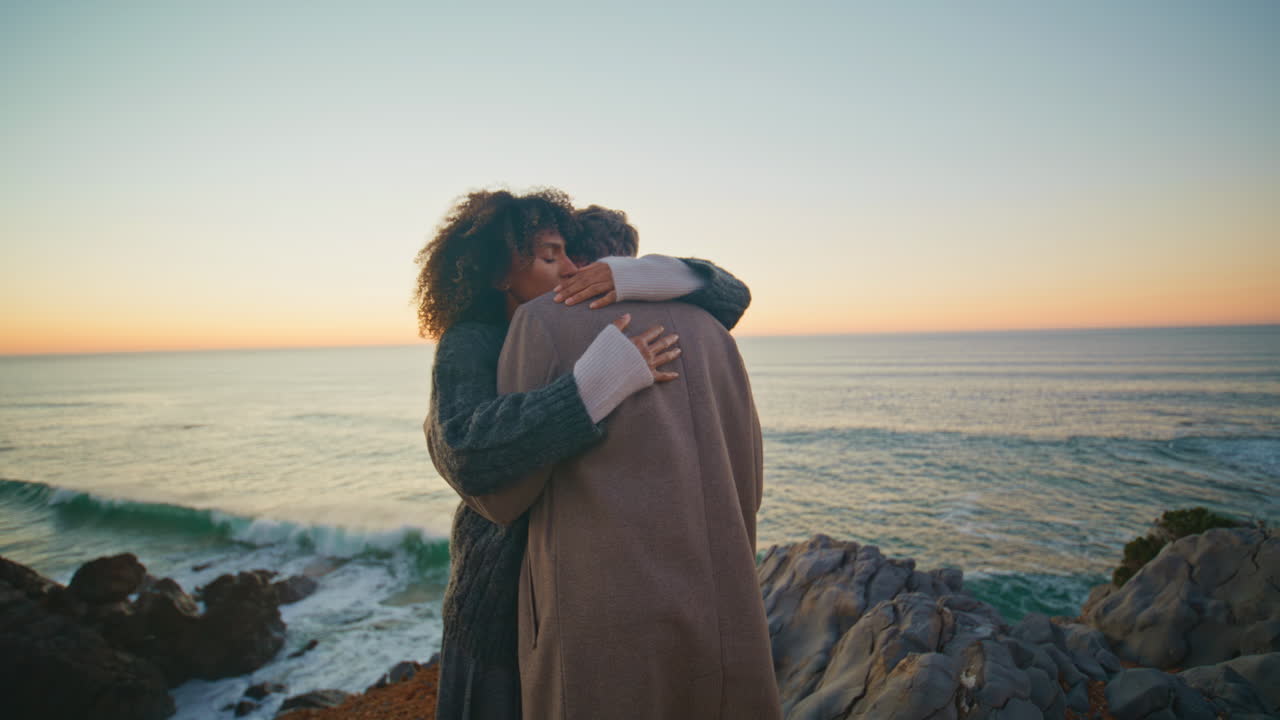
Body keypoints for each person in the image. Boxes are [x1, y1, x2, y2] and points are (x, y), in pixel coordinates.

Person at [415, 189, 752, 720]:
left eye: (582, 263)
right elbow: (462, 451)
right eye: (554, 257)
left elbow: (731, 298)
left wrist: (640, 276)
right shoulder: (474, 339)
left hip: (580, 593)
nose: (573, 272)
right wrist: (588, 389)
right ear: (502, 271)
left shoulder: (592, 314)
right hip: (500, 594)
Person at [470, 272, 781, 719]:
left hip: (596, 616)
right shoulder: (714, 328)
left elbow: (505, 495)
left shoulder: (540, 321)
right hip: (719, 601)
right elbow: (749, 476)